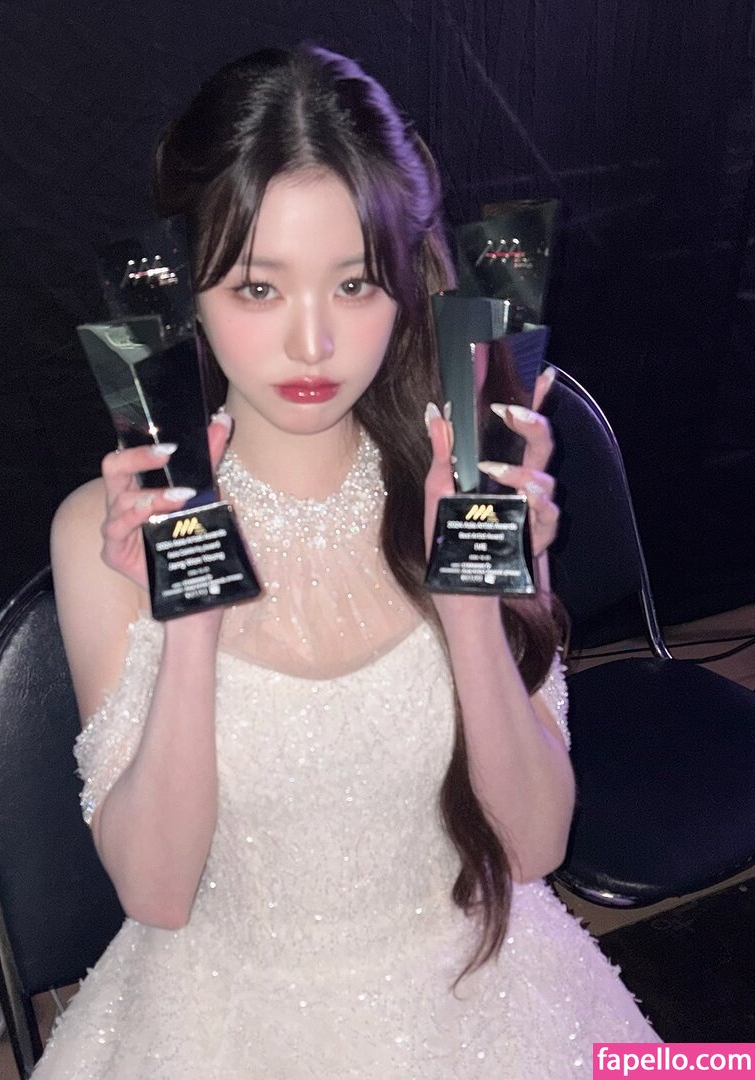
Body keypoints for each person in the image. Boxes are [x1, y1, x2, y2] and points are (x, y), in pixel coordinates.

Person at [38, 43, 656, 1079]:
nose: (314, 344)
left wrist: (470, 604)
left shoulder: (470, 483)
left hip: (482, 997)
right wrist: (189, 624)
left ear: (405, 283)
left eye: (355, 283)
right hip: (221, 1022)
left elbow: (534, 848)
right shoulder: (104, 532)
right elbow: (156, 892)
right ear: (187, 289)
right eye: (258, 288)